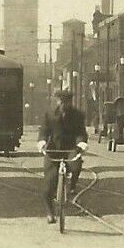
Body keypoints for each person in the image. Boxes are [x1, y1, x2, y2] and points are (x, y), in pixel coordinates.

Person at [38, 89, 88, 225]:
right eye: (61, 101)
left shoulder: (78, 115)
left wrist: (81, 144)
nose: (63, 104)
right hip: (53, 150)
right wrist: (42, 142)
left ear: (70, 102)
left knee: (76, 164)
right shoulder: (49, 114)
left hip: (71, 148)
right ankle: (50, 212)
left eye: (66, 102)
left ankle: (71, 186)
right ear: (57, 101)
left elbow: (81, 132)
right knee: (48, 185)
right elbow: (44, 131)